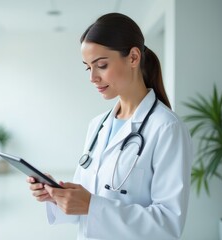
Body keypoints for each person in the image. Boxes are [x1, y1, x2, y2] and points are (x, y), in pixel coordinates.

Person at [27, 12, 193, 240]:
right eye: (88, 67)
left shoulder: (166, 128)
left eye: (101, 65)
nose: (92, 77)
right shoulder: (98, 125)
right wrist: (58, 195)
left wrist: (92, 206)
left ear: (133, 57)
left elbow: (168, 224)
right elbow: (86, 203)